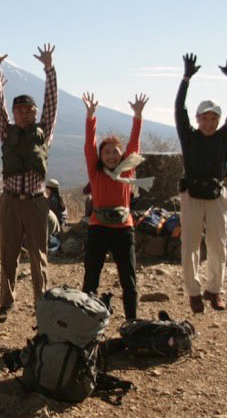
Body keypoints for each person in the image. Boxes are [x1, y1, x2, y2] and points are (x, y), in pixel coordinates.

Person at [0, 43, 58, 323]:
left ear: (36, 113)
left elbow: (52, 101)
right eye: (21, 111)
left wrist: (49, 69)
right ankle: (6, 303)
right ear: (14, 114)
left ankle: (43, 307)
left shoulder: (44, 131)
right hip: (11, 201)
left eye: (30, 111)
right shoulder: (7, 132)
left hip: (37, 202)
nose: (26, 114)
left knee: (39, 257)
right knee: (7, 254)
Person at [175, 53, 227, 313]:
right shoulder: (189, 136)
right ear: (197, 118)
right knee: (190, 245)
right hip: (192, 195)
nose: (209, 122)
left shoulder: (222, 138)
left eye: (213, 118)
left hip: (216, 195)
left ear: (217, 120)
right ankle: (193, 292)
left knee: (218, 245)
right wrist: (186, 79)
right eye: (205, 117)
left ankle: (214, 290)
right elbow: (178, 109)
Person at [81, 92, 151, 320]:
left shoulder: (127, 170)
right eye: (107, 152)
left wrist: (137, 117)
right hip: (98, 227)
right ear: (100, 156)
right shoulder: (96, 171)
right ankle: (85, 322)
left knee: (128, 277)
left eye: (115, 152)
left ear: (122, 155)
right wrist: (91, 116)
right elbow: (89, 145)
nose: (111, 156)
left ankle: (132, 321)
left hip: (123, 228)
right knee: (91, 275)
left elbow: (134, 144)